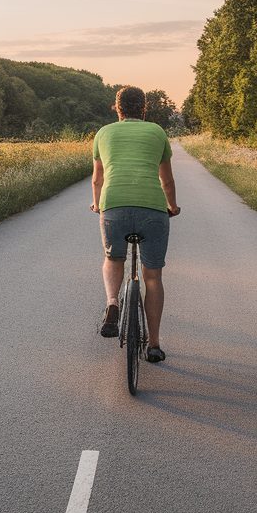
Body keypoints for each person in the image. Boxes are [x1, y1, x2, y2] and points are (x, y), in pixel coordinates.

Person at [90, 86, 180, 363]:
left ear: (117, 109)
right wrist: (173, 207)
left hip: (114, 206)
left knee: (113, 258)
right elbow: (166, 180)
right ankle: (153, 345)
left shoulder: (103, 133)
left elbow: (97, 179)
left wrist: (97, 205)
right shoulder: (157, 132)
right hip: (152, 208)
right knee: (152, 277)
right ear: (144, 108)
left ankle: (112, 303)